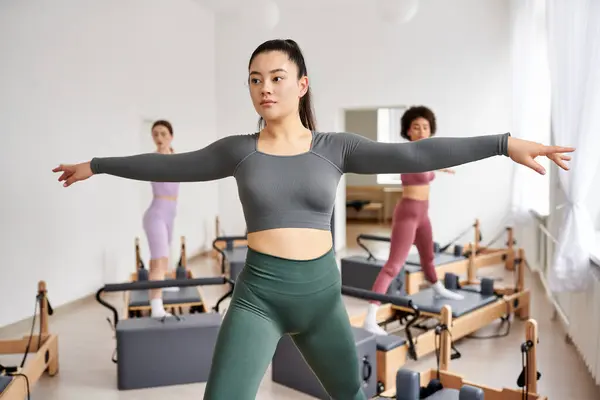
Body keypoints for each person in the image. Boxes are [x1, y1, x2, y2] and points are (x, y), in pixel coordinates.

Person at [52, 39, 574, 400]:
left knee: (350, 392)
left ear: (302, 84)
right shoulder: (237, 150)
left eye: (277, 77)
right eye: (255, 79)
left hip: (322, 299)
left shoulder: (335, 148)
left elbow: (417, 155)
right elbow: (169, 166)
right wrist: (96, 166)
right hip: (258, 298)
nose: (265, 88)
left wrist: (504, 144)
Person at [362, 105, 464, 336]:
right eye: (416, 127)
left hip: (423, 214)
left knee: (428, 256)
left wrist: (441, 166)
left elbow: (428, 167)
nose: (421, 130)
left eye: (425, 127)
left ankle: (437, 287)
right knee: (393, 266)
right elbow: (418, 165)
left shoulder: (427, 153)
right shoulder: (406, 153)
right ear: (408, 131)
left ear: (430, 130)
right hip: (407, 214)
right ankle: (370, 315)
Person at [143, 120, 180, 319]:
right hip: (156, 214)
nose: (159, 138)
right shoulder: (152, 160)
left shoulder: (178, 158)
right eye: (155, 134)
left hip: (170, 213)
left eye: (163, 134)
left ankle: (163, 284)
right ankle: (156, 307)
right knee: (158, 261)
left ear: (171, 136)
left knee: (164, 258)